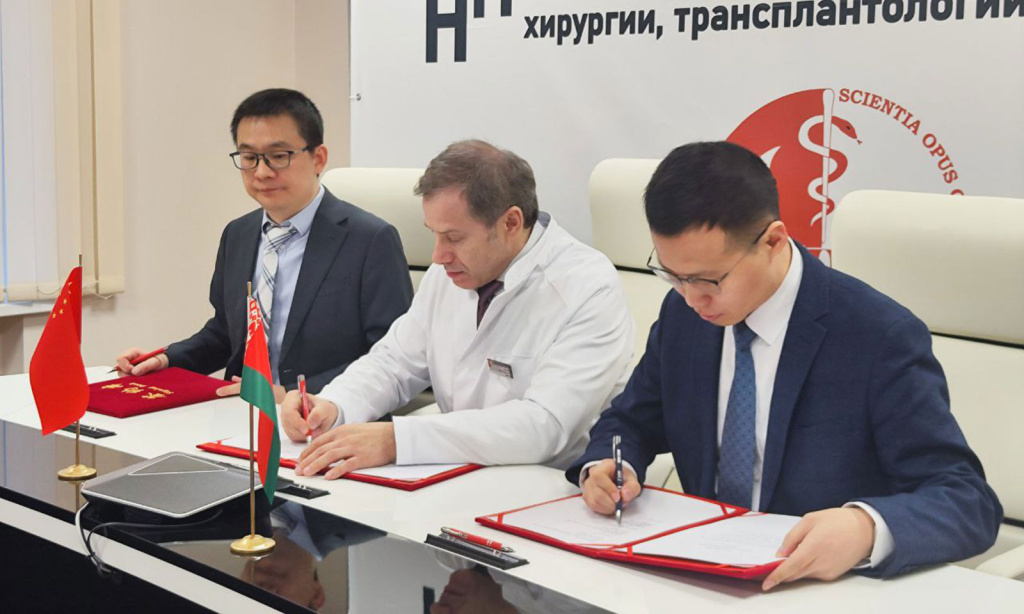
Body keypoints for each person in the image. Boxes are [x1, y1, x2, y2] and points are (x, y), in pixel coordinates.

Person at [568, 141, 1001, 589]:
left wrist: (865, 527)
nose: (692, 298)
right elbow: (631, 421)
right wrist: (610, 465)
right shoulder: (684, 315)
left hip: (818, 589)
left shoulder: (877, 336)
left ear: (773, 241)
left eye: (709, 280)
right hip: (699, 580)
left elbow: (967, 501)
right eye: (673, 275)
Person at [280, 139, 634, 477]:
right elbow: (394, 363)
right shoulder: (450, 272)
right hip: (454, 473)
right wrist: (334, 405)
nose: (437, 256)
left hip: (547, 485)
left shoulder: (587, 285)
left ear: (511, 223)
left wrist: (398, 441)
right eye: (433, 234)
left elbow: (545, 426)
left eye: (454, 237)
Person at [115, 88, 413, 396]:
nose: (261, 172)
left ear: (318, 158)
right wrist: (166, 359)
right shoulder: (238, 234)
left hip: (325, 413)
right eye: (249, 157)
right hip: (238, 410)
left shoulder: (370, 240)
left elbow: (390, 358)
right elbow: (225, 334)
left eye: (278, 157)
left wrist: (291, 394)